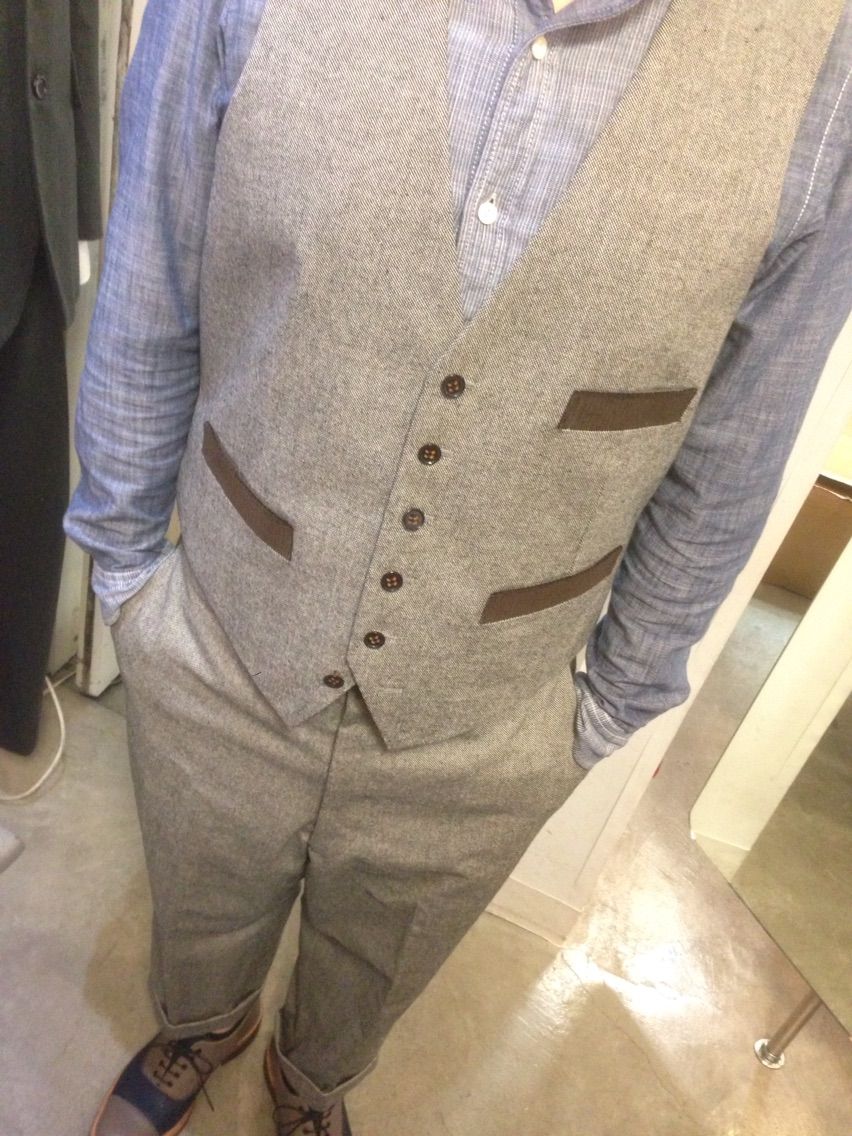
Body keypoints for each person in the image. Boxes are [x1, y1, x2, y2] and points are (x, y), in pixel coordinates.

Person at [66, 1, 852, 1133]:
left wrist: (607, 705)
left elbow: (736, 443)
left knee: (379, 963)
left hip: (494, 711)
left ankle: (311, 1080)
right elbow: (153, 267)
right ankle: (207, 1023)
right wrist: (129, 575)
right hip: (224, 624)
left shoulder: (824, 64)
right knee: (198, 893)